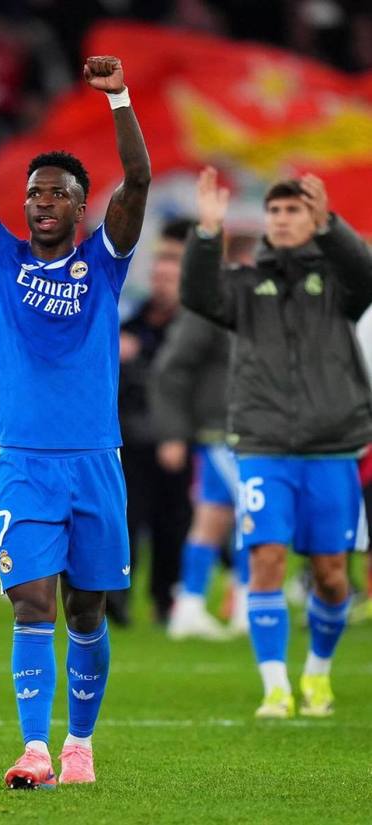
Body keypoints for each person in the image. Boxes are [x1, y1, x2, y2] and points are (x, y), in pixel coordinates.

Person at [0, 40, 150, 787]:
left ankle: (79, 744)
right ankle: (34, 749)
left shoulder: (105, 263)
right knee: (31, 602)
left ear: (81, 206)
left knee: (86, 611)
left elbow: (139, 179)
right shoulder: (1, 259)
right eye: (33, 194)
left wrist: (118, 98)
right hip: (24, 461)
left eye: (55, 194)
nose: (41, 202)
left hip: (95, 462)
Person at [182, 166, 372, 718]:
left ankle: (317, 672)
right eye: (275, 211)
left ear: (313, 219)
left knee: (331, 575)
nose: (283, 219)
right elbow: (197, 294)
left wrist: (333, 225)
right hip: (263, 446)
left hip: (331, 448)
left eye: (294, 210)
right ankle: (275, 687)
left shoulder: (337, 284)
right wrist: (207, 233)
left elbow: (366, 276)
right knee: (265, 556)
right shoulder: (244, 286)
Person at [156, 234, 257, 641]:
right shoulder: (212, 306)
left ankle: (190, 605)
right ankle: (249, 604)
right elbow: (171, 368)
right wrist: (173, 432)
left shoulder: (259, 306)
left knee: (212, 519)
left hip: (245, 429)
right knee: (254, 511)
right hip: (222, 430)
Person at [108, 219, 193, 627]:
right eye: (158, 276)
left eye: (169, 278)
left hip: (173, 437)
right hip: (129, 436)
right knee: (126, 519)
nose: (161, 284)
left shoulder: (190, 329)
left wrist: (180, 433)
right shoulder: (130, 324)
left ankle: (165, 598)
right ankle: (116, 597)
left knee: (171, 524)